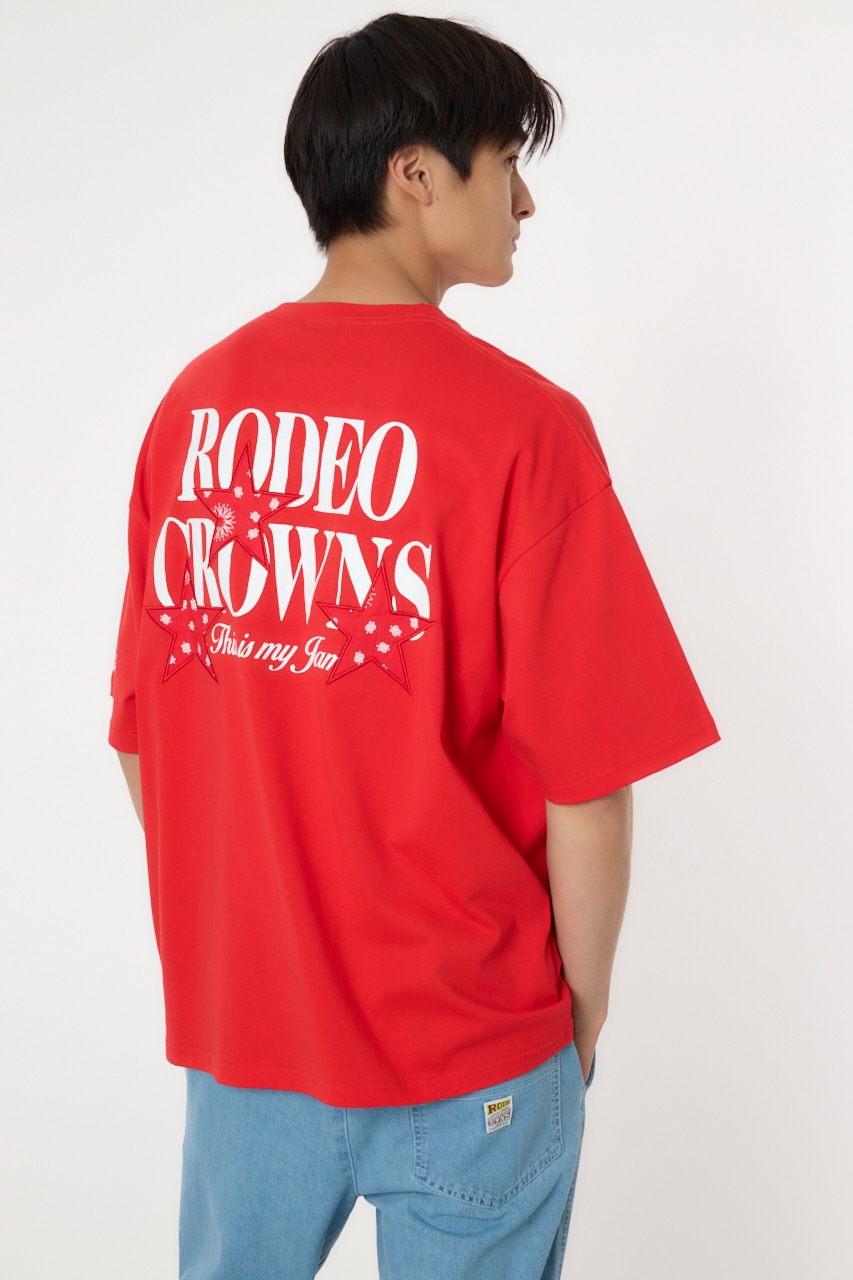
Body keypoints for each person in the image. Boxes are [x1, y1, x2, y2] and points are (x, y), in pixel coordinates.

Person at [109, 13, 719, 1279]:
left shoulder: (193, 409)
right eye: (508, 163)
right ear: (417, 174)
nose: (525, 202)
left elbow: (142, 734)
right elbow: (589, 784)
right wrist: (579, 1011)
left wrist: (251, 933)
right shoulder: (523, 428)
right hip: (471, 1046)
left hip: (246, 1034)